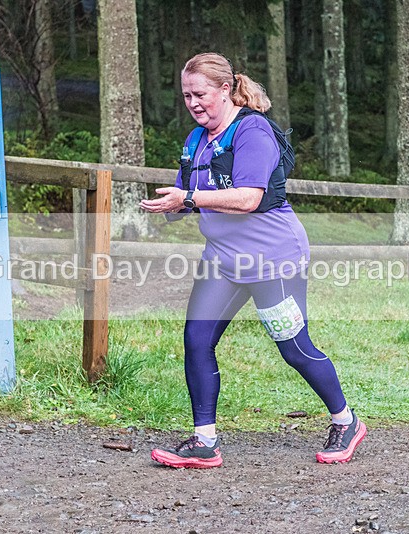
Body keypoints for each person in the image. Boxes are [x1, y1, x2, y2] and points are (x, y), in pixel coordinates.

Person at [139, 52, 366, 468]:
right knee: (197, 340)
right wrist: (171, 207)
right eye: (186, 95)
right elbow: (188, 195)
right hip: (223, 262)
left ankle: (346, 421)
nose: (193, 102)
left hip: (273, 259)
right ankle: (203, 441)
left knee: (294, 347)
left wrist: (188, 198)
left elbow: (249, 197)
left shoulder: (252, 131)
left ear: (226, 90)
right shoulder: (195, 140)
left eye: (201, 93)